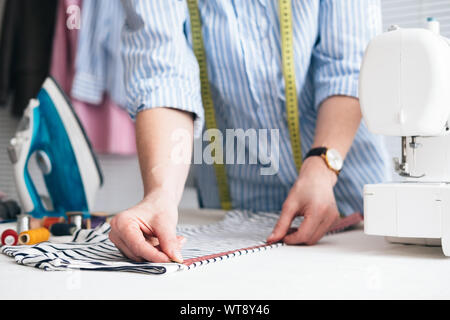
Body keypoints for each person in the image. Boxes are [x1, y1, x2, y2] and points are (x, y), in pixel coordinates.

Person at [109, 0, 391, 263]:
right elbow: (163, 73)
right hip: (235, 211)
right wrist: (161, 195)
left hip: (348, 197)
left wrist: (322, 168)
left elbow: (349, 66)